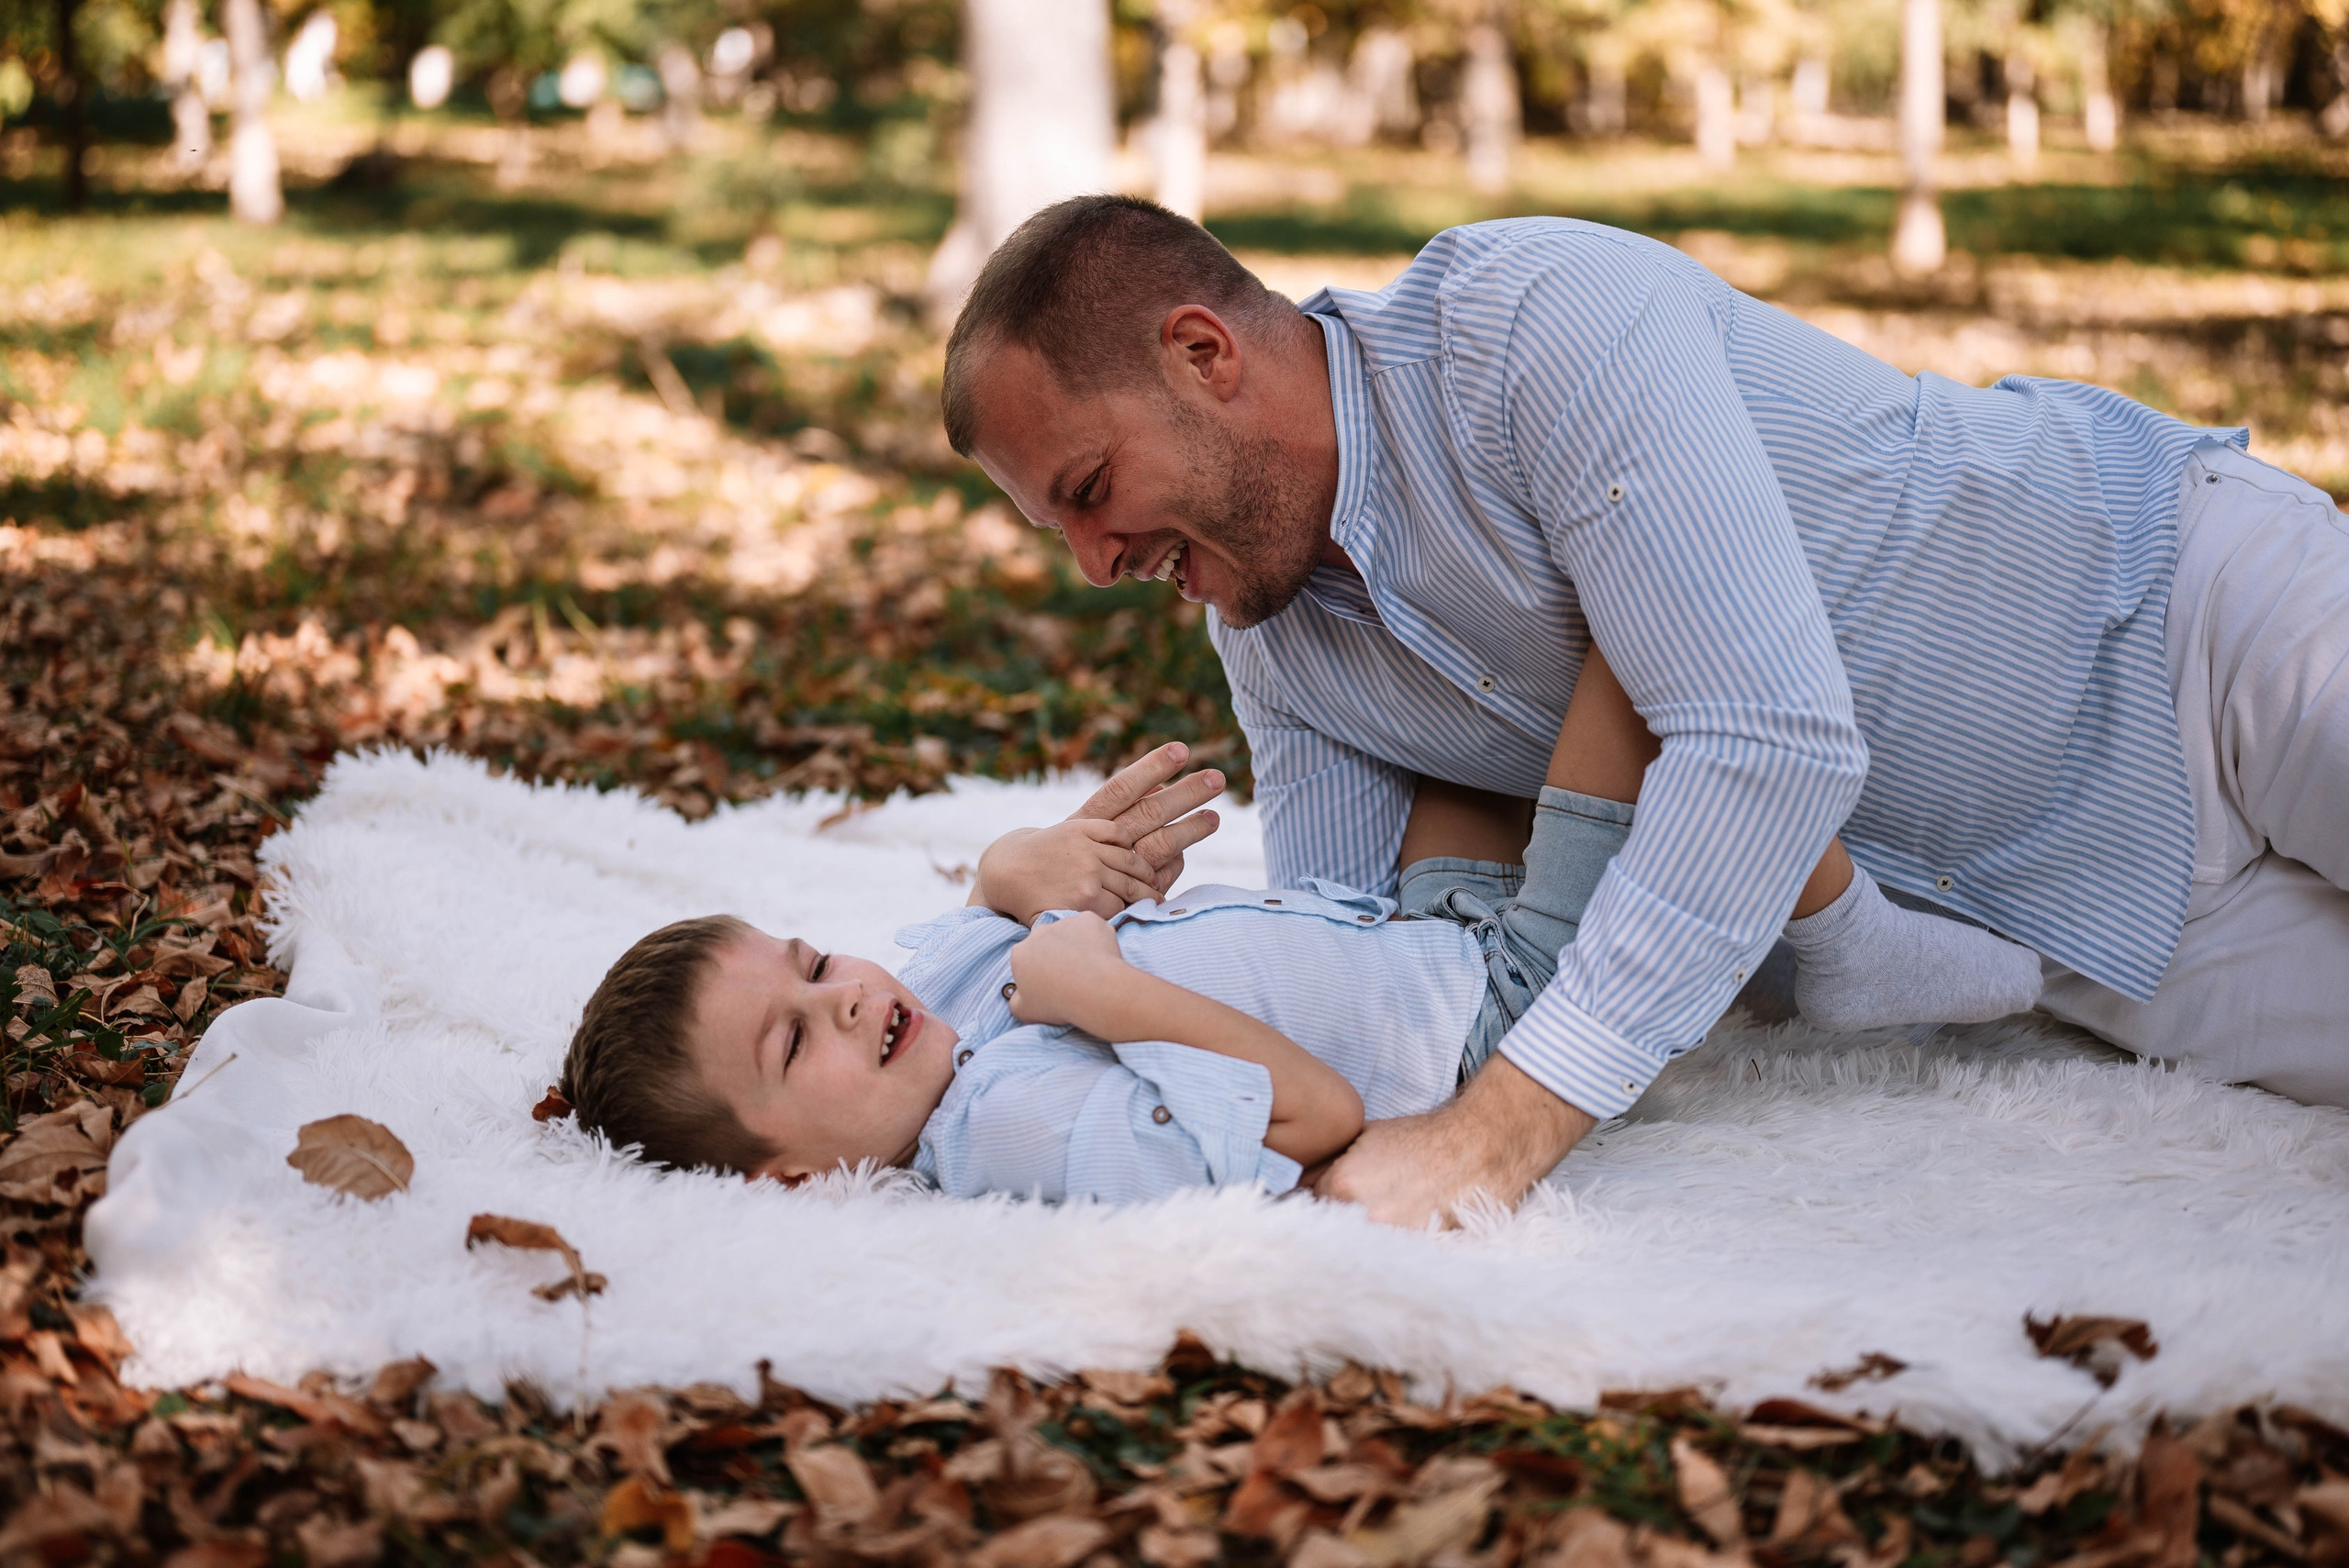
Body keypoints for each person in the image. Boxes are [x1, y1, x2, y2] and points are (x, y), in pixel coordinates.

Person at [937, 196, 2349, 1227]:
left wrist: (1504, 1133)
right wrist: (1036, 898)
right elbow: (1400, 993)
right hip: (2089, 931)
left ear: (1202, 354)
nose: (1095, 566)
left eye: (1086, 491)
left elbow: (1762, 739)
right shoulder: (1282, 639)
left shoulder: (1528, 320)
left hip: (2179, 624)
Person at [559, 661, 2043, 1199]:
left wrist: (1037, 858)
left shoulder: (924, 1015)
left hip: (1415, 919)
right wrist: (1111, 989)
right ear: (799, 1170)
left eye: (812, 966)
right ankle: (1849, 936)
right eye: (795, 1037)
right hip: (1497, 1011)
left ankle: (1794, 897)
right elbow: (1323, 1117)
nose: (846, 995)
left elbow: (994, 896)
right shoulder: (1013, 1134)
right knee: (1637, 658)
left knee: (1452, 670)